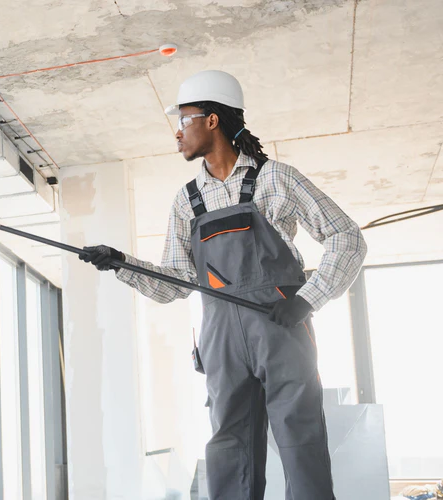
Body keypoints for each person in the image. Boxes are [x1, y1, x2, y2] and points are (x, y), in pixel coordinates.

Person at [79, 70, 367, 499]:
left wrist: (308, 300)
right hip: (220, 340)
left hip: (281, 327)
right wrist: (121, 264)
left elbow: (347, 237)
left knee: (300, 443)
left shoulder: (276, 178)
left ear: (212, 120)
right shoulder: (186, 201)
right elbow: (176, 284)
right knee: (230, 454)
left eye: (184, 119)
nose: (177, 132)